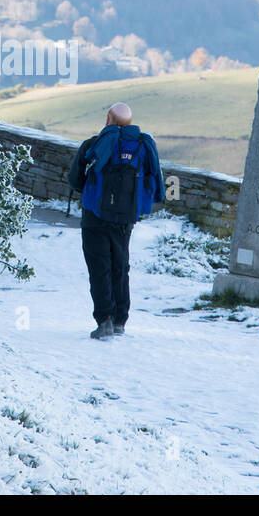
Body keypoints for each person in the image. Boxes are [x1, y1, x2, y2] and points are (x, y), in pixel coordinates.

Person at [66, 102, 165, 340]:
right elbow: (155, 182)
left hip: (95, 217)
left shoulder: (94, 145)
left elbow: (75, 180)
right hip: (126, 217)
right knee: (120, 266)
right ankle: (121, 320)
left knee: (99, 268)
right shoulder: (143, 145)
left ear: (108, 120)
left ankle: (105, 321)